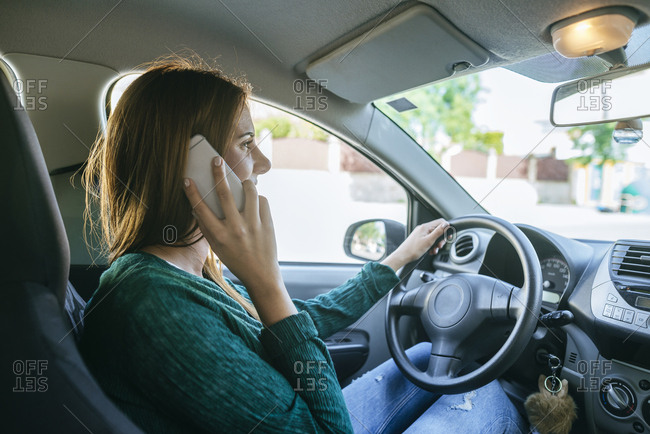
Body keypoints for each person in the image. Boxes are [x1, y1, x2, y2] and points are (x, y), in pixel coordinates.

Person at [79, 57, 526, 433]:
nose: (263, 163)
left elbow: (291, 323)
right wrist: (265, 279)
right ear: (190, 163)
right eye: (246, 142)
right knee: (486, 399)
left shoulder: (181, 271)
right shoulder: (154, 304)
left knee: (439, 360)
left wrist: (396, 261)